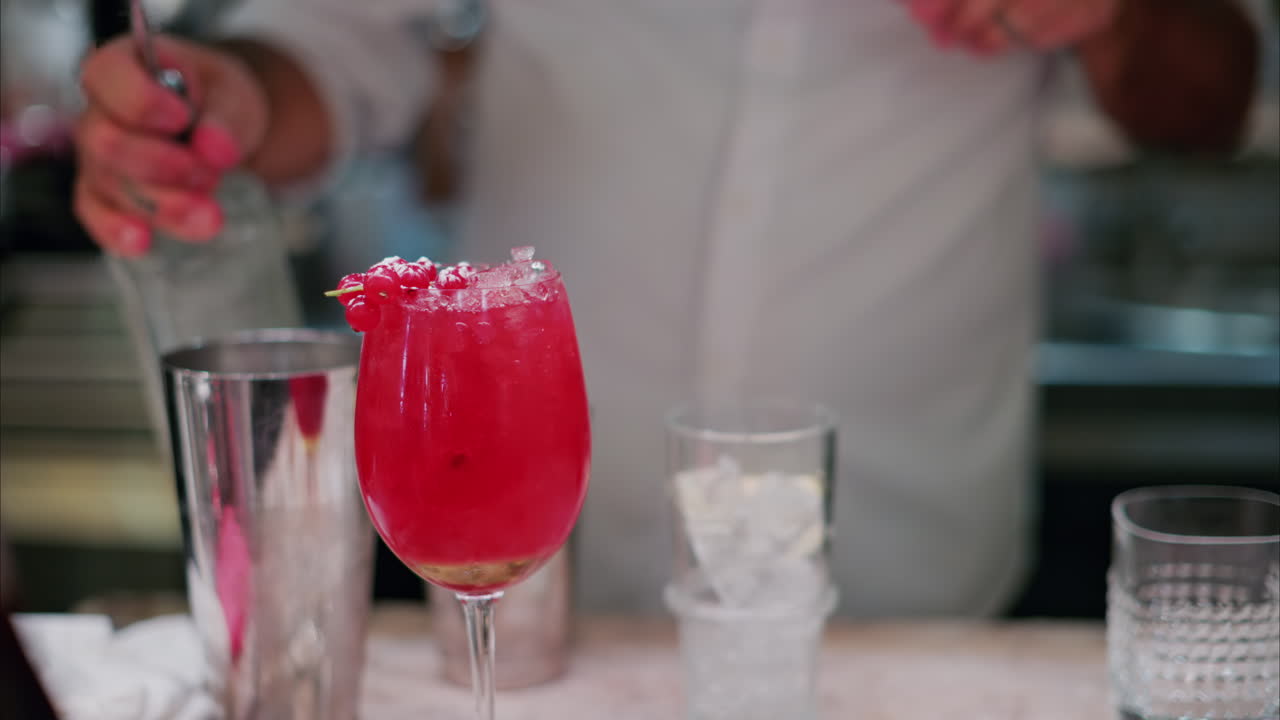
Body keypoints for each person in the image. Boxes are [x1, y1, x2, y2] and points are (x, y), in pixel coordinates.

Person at [73, 0, 1260, 617]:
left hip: (895, 570)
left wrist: (1119, 11)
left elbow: (1213, 92)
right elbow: (333, 54)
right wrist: (227, 100)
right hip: (524, 560)